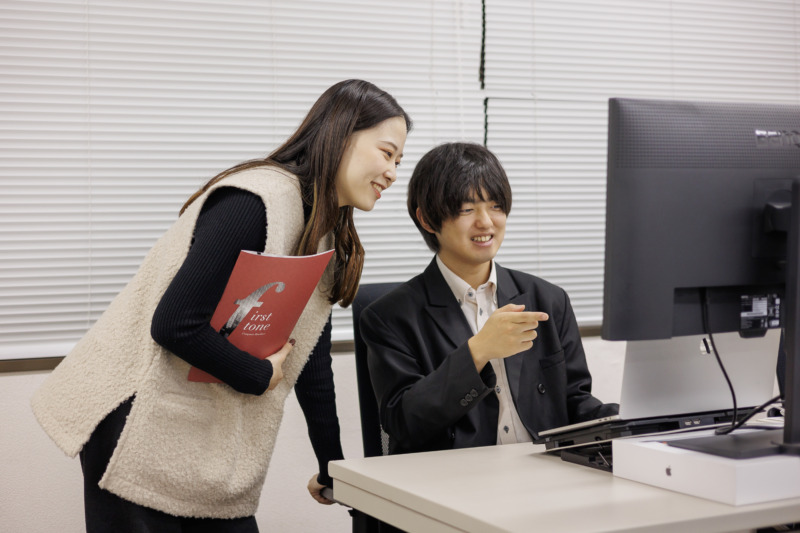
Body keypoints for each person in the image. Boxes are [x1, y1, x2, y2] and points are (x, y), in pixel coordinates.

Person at [31, 79, 411, 532]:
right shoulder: (256, 199)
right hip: (130, 416)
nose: (392, 172)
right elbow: (174, 324)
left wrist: (334, 469)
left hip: (189, 434)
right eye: (387, 153)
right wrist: (259, 375)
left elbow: (309, 360)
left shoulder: (322, 231)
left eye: (399, 161)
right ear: (342, 134)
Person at [361, 142, 617, 458]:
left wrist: (625, 418)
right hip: (456, 481)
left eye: (495, 205)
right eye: (467, 209)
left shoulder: (548, 300)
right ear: (428, 220)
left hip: (546, 472)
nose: (486, 222)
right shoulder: (389, 317)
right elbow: (404, 424)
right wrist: (478, 351)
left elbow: (573, 402)